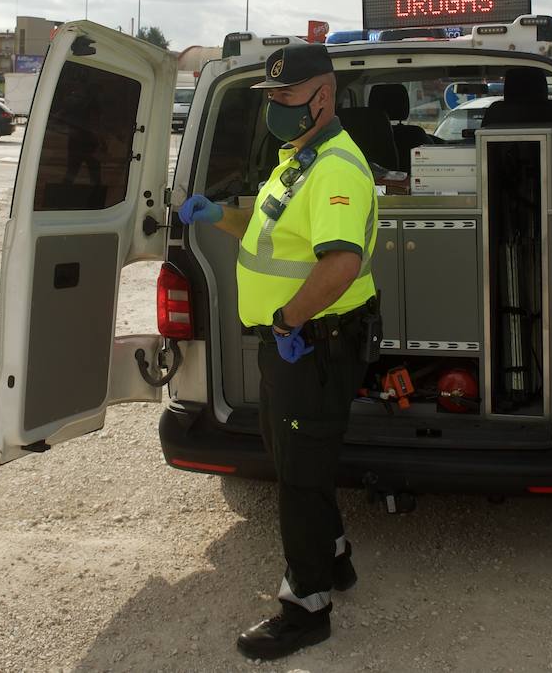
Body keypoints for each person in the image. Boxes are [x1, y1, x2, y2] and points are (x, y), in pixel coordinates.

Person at [179, 43, 379, 661]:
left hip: (312, 342)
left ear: (324, 95)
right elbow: (271, 235)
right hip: (292, 342)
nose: (275, 110)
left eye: (286, 98)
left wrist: (290, 321)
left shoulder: (336, 169)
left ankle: (306, 605)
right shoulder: (298, 160)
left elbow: (341, 262)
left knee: (297, 471)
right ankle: (336, 557)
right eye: (270, 99)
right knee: (293, 455)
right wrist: (219, 216)